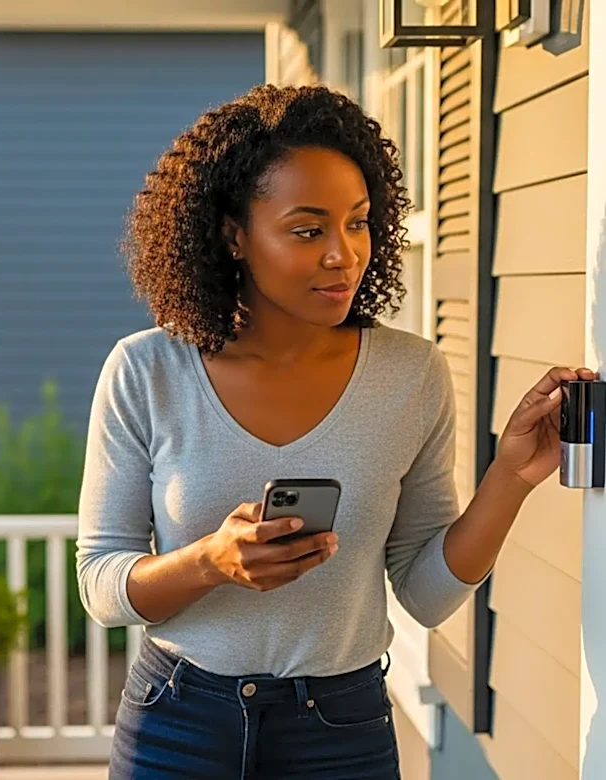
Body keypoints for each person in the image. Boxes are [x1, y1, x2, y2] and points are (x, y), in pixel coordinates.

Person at [76, 84, 595, 779]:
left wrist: (511, 479)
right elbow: (101, 584)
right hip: (178, 721)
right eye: (308, 229)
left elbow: (426, 593)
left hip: (341, 733)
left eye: (358, 222)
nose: (343, 254)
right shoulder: (146, 371)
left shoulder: (411, 375)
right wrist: (210, 563)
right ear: (234, 235)